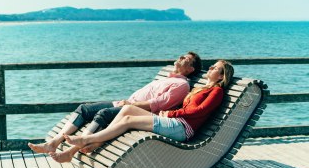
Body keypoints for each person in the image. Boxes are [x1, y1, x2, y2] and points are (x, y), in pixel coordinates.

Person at [28, 52, 202, 161]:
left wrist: (131, 104)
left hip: (138, 111)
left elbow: (156, 105)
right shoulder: (169, 77)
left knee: (103, 114)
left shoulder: (181, 86)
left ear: (191, 69)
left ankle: (72, 151)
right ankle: (53, 142)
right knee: (84, 109)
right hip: (125, 103)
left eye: (185, 59)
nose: (180, 58)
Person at [51, 60, 234, 162]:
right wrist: (169, 114)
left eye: (214, 68)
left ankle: (84, 141)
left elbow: (197, 111)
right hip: (175, 122)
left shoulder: (216, 91)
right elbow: (188, 108)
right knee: (128, 109)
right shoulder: (200, 89)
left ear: (221, 75)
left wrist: (169, 114)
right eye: (211, 66)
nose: (210, 68)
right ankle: (89, 145)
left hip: (182, 128)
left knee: (129, 120)